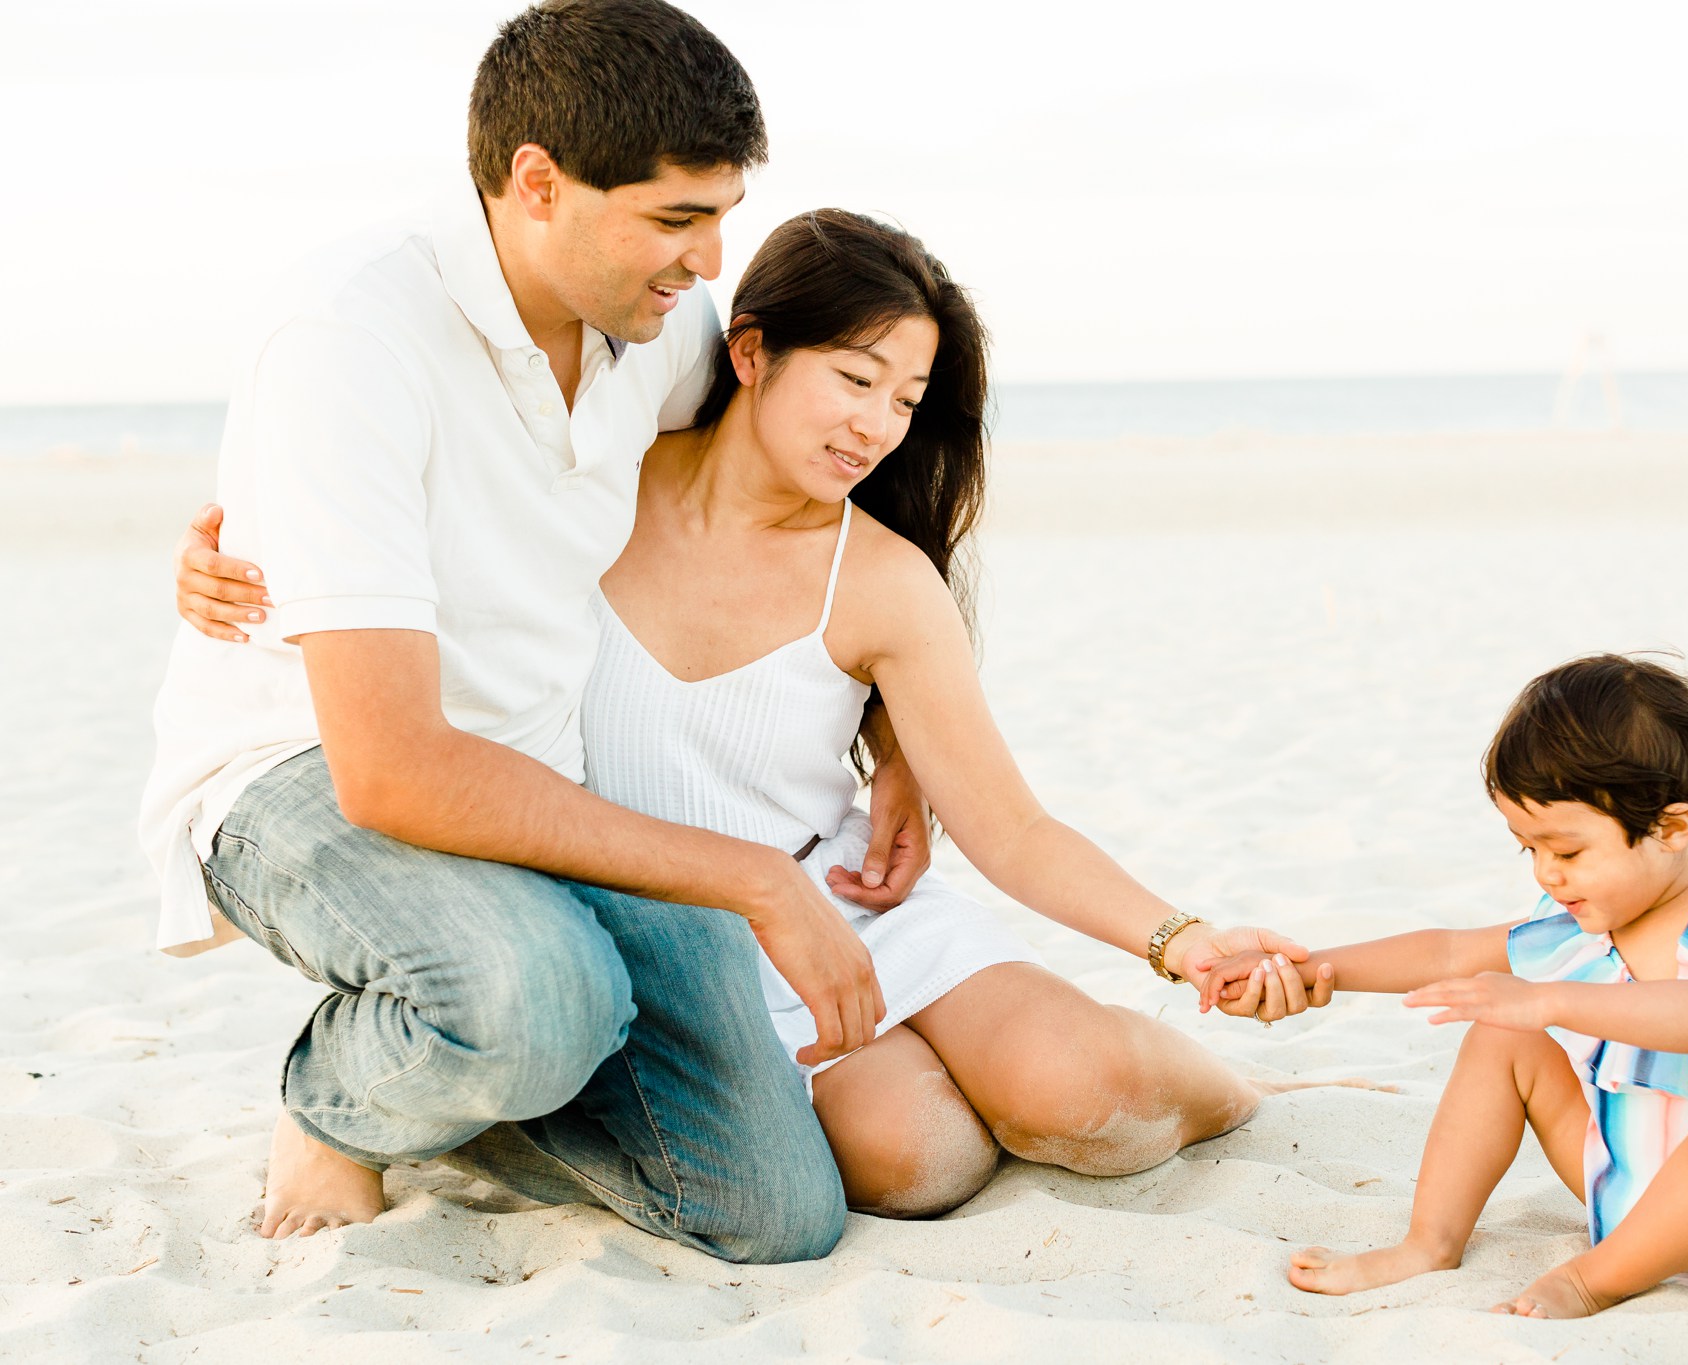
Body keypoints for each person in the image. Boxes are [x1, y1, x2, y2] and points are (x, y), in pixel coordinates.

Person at [181, 206, 1353, 1217]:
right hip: (666, 927)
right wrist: (220, 555)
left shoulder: (884, 579)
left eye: (906, 399)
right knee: (918, 1159)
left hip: (840, 899)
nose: (877, 427)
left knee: (1082, 1093)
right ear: (748, 354)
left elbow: (1010, 829)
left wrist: (1181, 941)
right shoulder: (589, 489)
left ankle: (1245, 1089)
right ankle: (381, 1106)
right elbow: (376, 525)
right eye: (853, 380)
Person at [142, 0, 938, 1259]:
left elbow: (803, 468)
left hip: (540, 778)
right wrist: (747, 876)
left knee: (773, 1216)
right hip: (305, 778)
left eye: (721, 215)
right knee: (533, 1002)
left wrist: (898, 729)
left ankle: (454, 1088)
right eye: (676, 218)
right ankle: (342, 1108)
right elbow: (393, 770)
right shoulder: (351, 334)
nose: (708, 262)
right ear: (536, 182)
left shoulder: (654, 325)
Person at [1200, 654, 1688, 1316]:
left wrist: (1551, 998)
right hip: (1630, 1189)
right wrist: (1314, 969)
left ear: (1671, 826)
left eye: (1566, 850)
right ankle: (1429, 1243)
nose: (1546, 872)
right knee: (1504, 1030)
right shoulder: (1589, 914)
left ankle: (1590, 1280)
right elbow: (1449, 950)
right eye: (1528, 847)